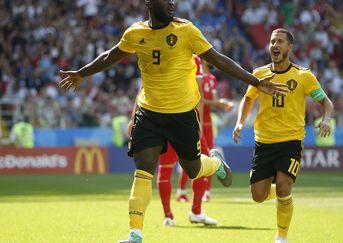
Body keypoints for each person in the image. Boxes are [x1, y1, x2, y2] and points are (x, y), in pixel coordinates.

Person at [58, 1, 289, 242]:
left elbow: (219, 59)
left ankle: (215, 164)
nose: (171, 3)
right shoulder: (135, 33)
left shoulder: (186, 30)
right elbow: (111, 55)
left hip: (182, 114)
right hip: (149, 114)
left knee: (193, 170)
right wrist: (82, 73)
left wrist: (255, 81)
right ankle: (135, 233)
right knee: (143, 169)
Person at [232, 28, 334, 243]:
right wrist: (240, 122)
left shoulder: (303, 76)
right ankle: (279, 197)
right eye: (272, 42)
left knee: (284, 185)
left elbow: (326, 102)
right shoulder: (259, 74)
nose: (275, 45)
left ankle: (282, 237)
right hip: (264, 141)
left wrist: (325, 119)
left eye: (279, 42)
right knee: (258, 195)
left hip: (291, 140)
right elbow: (248, 99)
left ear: (290, 47)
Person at [157, 54, 216, 226]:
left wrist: (135, 117)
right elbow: (198, 96)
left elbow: (146, 89)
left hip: (162, 122)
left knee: (165, 169)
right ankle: (196, 211)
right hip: (185, 122)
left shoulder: (160, 53)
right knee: (203, 163)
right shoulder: (194, 59)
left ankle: (168, 216)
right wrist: (198, 125)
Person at [176, 59, 234, 202]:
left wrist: (221, 104)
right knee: (190, 157)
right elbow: (199, 99)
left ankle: (207, 192)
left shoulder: (212, 79)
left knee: (208, 155)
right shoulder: (194, 75)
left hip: (208, 123)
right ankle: (181, 191)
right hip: (196, 121)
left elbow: (211, 100)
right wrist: (219, 103)